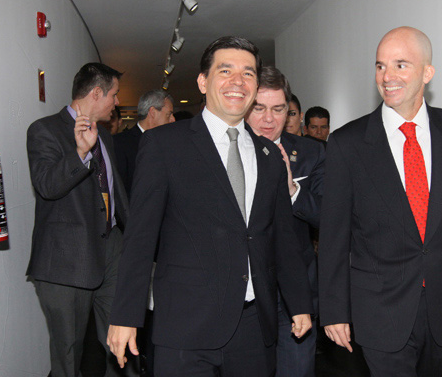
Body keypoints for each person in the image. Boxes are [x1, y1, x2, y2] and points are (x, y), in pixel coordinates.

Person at [107, 36, 313, 377]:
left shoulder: (268, 157)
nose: (238, 81)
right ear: (203, 82)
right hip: (185, 327)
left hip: (253, 327)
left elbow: (282, 238)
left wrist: (299, 303)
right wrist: (125, 316)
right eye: (226, 70)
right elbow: (140, 237)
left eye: (248, 73)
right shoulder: (164, 145)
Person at [318, 26, 442, 376]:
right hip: (379, 310)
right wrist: (334, 310)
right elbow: (334, 236)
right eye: (380, 66)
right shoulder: (347, 143)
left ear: (427, 72)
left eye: (400, 65)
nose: (387, 76)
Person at [26, 62, 129, 377]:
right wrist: (80, 153)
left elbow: (115, 191)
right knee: (68, 354)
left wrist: (137, 236)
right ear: (96, 93)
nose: (116, 103)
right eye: (113, 95)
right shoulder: (44, 129)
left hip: (111, 249)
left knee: (121, 338)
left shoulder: (106, 136)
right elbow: (47, 186)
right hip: (65, 263)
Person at [245, 66, 325, 377]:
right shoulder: (226, 152)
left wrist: (294, 190)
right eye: (259, 108)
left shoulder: (311, 153)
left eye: (278, 110)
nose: (269, 119)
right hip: (246, 292)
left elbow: (328, 215)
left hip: (297, 293)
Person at [113, 89, 175, 198]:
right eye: (168, 114)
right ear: (153, 112)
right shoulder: (120, 143)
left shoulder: (169, 145)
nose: (173, 119)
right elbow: (120, 191)